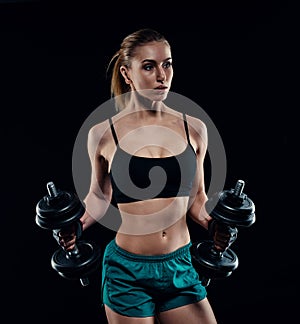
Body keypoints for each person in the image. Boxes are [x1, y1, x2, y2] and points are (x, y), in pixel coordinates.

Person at [57, 28, 236, 324]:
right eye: (149, 66)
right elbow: (100, 197)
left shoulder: (194, 128)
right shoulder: (103, 133)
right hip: (127, 271)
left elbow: (197, 199)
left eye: (167, 64)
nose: (161, 75)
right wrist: (76, 226)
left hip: (180, 265)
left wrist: (215, 224)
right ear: (127, 73)